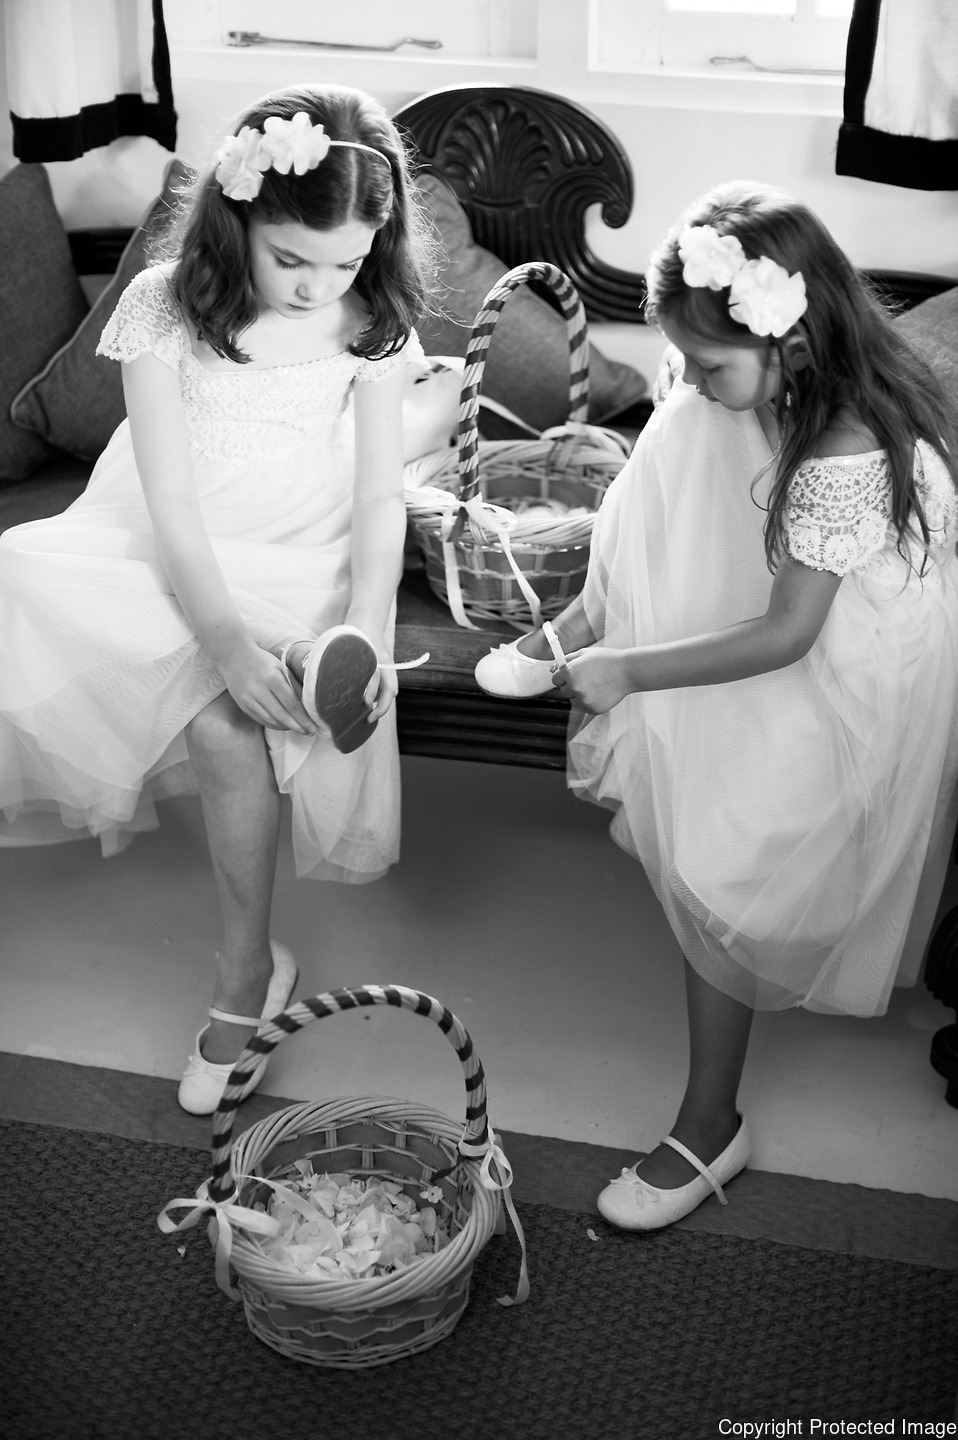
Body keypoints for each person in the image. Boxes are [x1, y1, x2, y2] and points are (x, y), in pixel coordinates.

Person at [475, 180, 958, 1229]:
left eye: (709, 363)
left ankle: (710, 1122)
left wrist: (633, 673)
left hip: (840, 649)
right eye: (684, 356)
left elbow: (789, 635)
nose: (688, 378)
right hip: (780, 584)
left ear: (793, 343)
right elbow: (676, 490)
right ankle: (587, 619)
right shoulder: (742, 383)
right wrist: (613, 608)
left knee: (722, 858)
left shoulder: (845, 444)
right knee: (683, 433)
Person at [0, 83, 437, 1114]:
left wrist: (368, 629)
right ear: (236, 218)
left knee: (232, 718)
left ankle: (244, 972)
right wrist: (229, 645)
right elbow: (170, 503)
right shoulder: (164, 303)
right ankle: (252, 962)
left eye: (345, 263)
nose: (317, 286)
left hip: (307, 538)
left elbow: (379, 496)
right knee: (26, 568)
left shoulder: (372, 317)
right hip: (179, 539)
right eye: (292, 259)